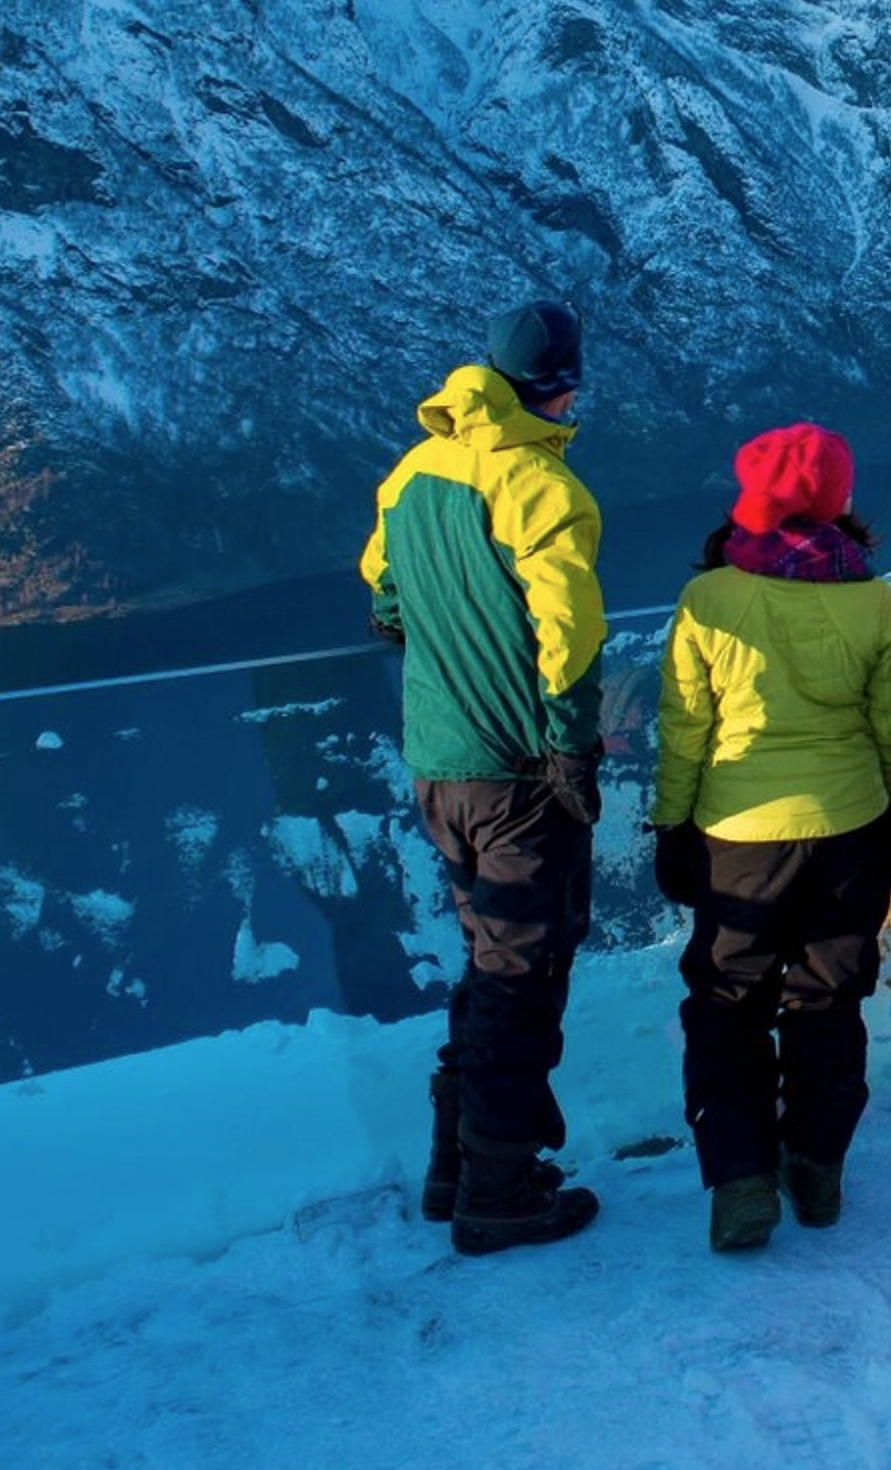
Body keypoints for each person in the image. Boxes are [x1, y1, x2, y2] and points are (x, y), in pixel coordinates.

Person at [360, 300, 609, 1257]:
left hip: (439, 766)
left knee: (487, 959)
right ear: (555, 387)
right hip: (517, 772)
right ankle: (500, 1190)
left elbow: (380, 586)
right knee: (525, 974)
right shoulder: (541, 488)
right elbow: (570, 634)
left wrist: (423, 630)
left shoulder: (413, 471)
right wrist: (570, 745)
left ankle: (453, 1165)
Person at [649, 421, 891, 1252]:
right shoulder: (872, 597)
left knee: (728, 1003)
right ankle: (817, 1169)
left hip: (739, 836)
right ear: (840, 500)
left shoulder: (711, 600)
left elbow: (686, 728)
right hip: (849, 827)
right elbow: (887, 724)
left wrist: (672, 826)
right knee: (828, 999)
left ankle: (741, 1183)